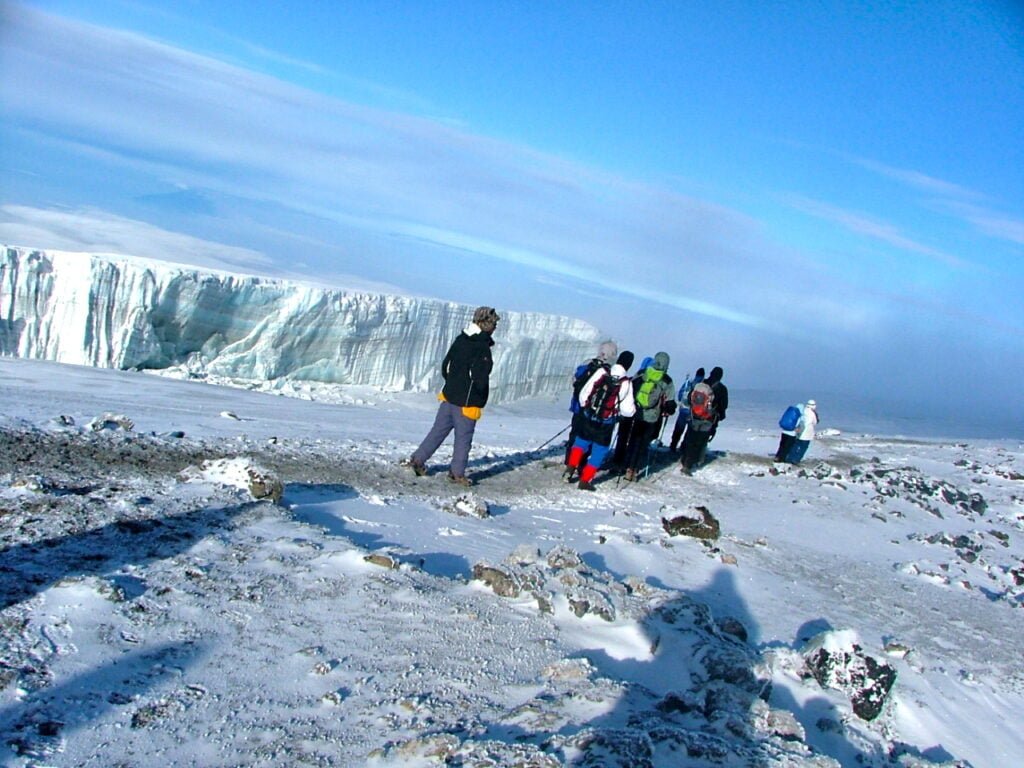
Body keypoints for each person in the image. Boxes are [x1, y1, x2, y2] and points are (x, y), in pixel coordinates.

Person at [407, 306, 499, 486]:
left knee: (438, 431)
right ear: (486, 324)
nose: (495, 327)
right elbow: (479, 376)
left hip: (449, 396)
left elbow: (446, 366)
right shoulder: (481, 346)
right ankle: (456, 474)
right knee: (463, 439)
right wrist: (478, 397)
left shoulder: (461, 339)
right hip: (467, 402)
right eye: (494, 323)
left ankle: (417, 460)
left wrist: (452, 385)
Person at [564, 351, 635, 490]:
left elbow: (585, 393)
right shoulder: (625, 383)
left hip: (589, 416)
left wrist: (587, 409)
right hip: (606, 423)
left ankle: (570, 470)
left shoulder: (602, 372)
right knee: (599, 451)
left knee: (580, 443)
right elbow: (628, 411)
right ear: (629, 365)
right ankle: (584, 481)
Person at [623, 352, 676, 481]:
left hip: (637, 413)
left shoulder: (643, 373)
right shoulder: (667, 380)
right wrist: (668, 410)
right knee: (643, 443)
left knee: (634, 439)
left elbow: (631, 388)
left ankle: (627, 467)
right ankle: (634, 470)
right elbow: (670, 404)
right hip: (652, 417)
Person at [565, 341, 618, 464]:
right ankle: (580, 464)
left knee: (575, 434)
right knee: (586, 438)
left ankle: (570, 462)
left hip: (578, 406)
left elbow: (575, 380)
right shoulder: (609, 371)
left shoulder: (587, 364)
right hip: (592, 411)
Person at [680, 365, 728, 474]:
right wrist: (720, 416)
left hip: (694, 415)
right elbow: (723, 406)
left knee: (690, 437)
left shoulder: (701, 384)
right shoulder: (722, 389)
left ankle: (684, 459)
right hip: (709, 419)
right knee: (701, 440)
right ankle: (693, 462)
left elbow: (689, 398)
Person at [669, 367, 704, 452]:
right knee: (689, 431)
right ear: (703, 376)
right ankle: (683, 447)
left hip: (683, 409)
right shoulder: (702, 386)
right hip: (694, 412)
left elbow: (680, 394)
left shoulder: (688, 382)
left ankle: (673, 445)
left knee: (679, 429)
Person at [786, 400, 818, 464]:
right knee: (803, 448)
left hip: (799, 432)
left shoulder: (803, 410)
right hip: (807, 434)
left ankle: (790, 458)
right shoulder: (812, 413)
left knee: (795, 446)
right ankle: (796, 460)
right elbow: (815, 422)